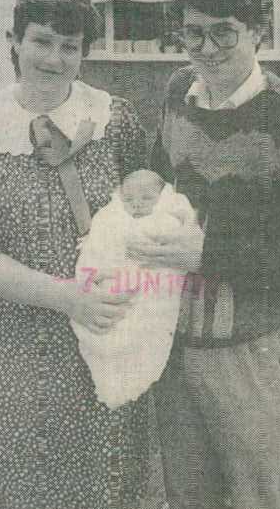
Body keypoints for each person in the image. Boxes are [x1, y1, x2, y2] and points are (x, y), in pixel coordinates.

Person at [127, 0, 280, 509]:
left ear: (257, 30)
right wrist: (146, 183)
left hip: (249, 350)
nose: (207, 47)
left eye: (224, 30)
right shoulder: (178, 92)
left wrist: (209, 254)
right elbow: (162, 170)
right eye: (193, 32)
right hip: (172, 344)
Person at [0, 0, 148, 509]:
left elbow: (146, 217)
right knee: (17, 495)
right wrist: (65, 296)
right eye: (41, 41)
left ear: (84, 53)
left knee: (95, 494)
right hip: (8, 343)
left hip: (100, 339)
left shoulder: (115, 120)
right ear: (14, 42)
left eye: (70, 46)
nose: (54, 59)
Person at [72, 170, 196, 410]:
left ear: (162, 198)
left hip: (150, 290)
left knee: (141, 332)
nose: (137, 204)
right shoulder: (113, 216)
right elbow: (101, 241)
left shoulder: (165, 218)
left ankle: (128, 379)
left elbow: (178, 233)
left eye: (146, 199)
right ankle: (110, 379)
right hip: (115, 283)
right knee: (108, 331)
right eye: (129, 200)